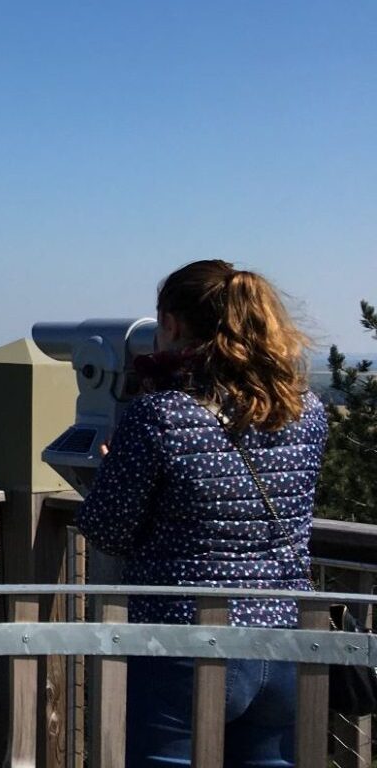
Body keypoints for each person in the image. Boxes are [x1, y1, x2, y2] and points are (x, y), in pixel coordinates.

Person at [77, 260, 328, 767]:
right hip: (284, 637)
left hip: (183, 642)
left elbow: (107, 529)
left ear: (171, 324)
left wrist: (111, 474)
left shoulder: (162, 415)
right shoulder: (307, 409)